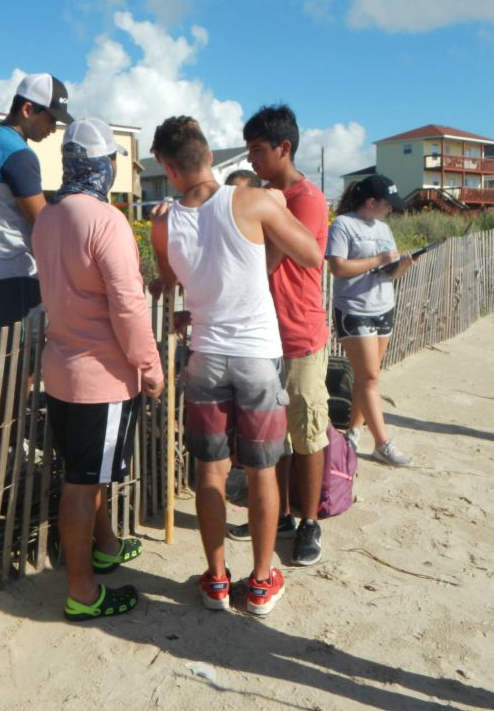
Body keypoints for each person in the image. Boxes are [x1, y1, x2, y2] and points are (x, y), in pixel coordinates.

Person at [149, 115, 321, 615]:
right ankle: (262, 581)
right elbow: (310, 254)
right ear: (207, 154)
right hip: (256, 357)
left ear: (167, 166)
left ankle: (217, 580)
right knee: (264, 471)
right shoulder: (252, 201)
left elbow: (173, 281)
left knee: (210, 471)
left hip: (205, 356)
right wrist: (259, 248)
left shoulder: (163, 223)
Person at [32, 118, 164, 622]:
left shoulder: (49, 216)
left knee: (87, 474)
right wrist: (149, 367)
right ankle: (83, 592)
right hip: (101, 378)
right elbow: (128, 305)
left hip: (61, 368)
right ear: (104, 165)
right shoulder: (105, 220)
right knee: (83, 484)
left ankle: (105, 547)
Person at [227, 104, 330, 568]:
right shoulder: (265, 196)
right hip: (265, 335)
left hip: (300, 334)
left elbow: (269, 258)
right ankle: (283, 514)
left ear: (283, 148)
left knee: (307, 432)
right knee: (276, 437)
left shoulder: (306, 198)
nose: (251, 159)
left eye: (257, 150)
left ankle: (310, 521)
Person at [0, 72, 72, 348]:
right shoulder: (18, 154)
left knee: (1, 361)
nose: (53, 128)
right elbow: (43, 223)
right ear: (27, 109)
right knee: (21, 364)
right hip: (15, 271)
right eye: (51, 119)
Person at [326, 175, 414, 465]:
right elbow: (337, 267)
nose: (391, 210)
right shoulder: (342, 225)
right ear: (372, 202)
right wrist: (377, 260)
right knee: (370, 377)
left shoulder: (384, 228)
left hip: (383, 306)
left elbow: (389, 273)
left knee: (369, 376)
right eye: (388, 204)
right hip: (354, 309)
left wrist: (401, 267)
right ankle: (382, 443)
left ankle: (353, 431)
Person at [223, 167, 262, 502]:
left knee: (256, 422)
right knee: (231, 418)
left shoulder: (261, 237)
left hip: (256, 346)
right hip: (221, 346)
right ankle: (237, 469)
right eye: (229, 192)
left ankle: (249, 475)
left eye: (241, 193)